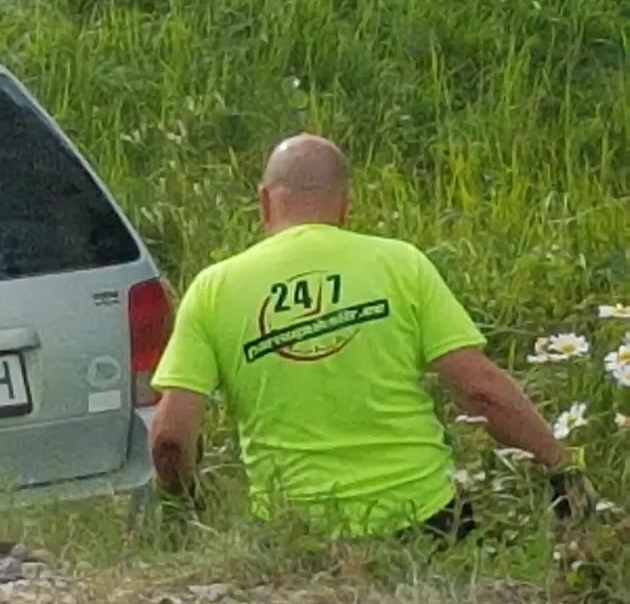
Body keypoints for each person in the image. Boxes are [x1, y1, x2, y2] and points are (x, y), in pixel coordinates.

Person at [148, 133, 593, 539]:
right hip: (426, 520)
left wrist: (185, 502)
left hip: (298, 534)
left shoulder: (214, 289)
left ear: (264, 202)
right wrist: (558, 464)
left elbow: (170, 437)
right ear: (345, 205)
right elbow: (481, 390)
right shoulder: (401, 265)